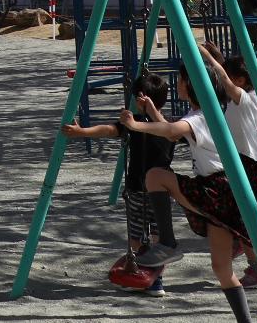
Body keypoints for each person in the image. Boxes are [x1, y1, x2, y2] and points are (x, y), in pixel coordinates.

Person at [118, 45, 257, 323]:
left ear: (190, 83)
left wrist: (136, 126)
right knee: (221, 269)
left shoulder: (202, 115)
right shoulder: (210, 111)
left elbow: (174, 130)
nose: (177, 84)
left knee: (155, 176)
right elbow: (174, 134)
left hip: (215, 190)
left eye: (181, 80)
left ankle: (169, 243)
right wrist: (152, 113)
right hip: (226, 192)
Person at [61, 70, 182, 295]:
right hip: (137, 190)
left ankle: (156, 279)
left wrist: (150, 111)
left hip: (159, 193)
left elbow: (166, 131)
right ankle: (141, 273)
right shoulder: (133, 123)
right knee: (136, 237)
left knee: (159, 239)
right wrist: (81, 132)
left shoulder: (170, 126)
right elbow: (109, 129)